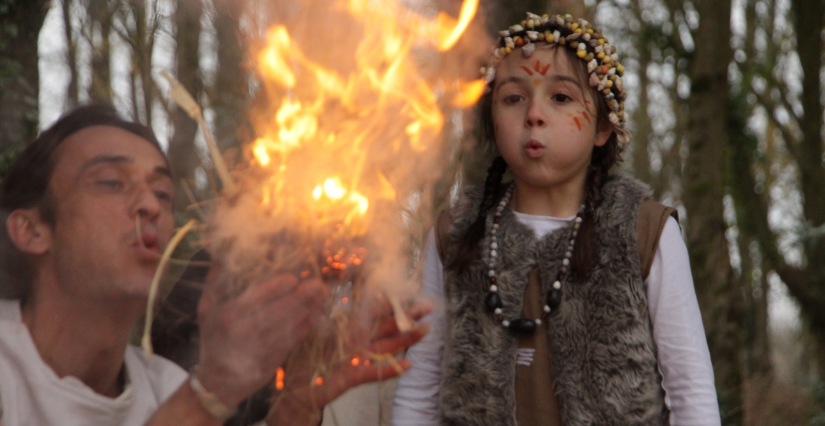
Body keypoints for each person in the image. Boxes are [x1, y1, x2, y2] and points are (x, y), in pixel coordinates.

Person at [0, 104, 428, 426]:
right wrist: (213, 389)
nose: (149, 204)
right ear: (31, 229)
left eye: (163, 193)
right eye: (111, 182)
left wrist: (296, 403)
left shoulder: (165, 386)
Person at [391, 13, 720, 426]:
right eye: (513, 98)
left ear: (603, 126)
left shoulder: (645, 231)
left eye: (560, 97)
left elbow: (691, 392)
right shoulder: (456, 234)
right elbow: (421, 389)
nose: (534, 114)